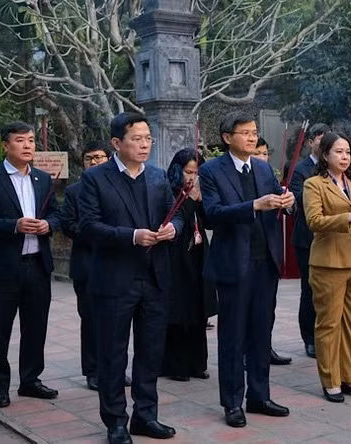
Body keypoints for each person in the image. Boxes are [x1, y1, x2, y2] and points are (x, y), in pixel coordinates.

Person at [79, 112, 182, 444]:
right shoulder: (96, 179)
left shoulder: (157, 177)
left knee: (151, 351)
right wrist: (131, 236)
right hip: (114, 279)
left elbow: (176, 213)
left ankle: (145, 415)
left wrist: (172, 229)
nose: (144, 145)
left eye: (148, 138)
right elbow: (88, 227)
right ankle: (115, 422)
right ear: (116, 143)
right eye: (137, 139)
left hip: (154, 277)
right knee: (113, 354)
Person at [199, 111, 295, 428]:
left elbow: (276, 201)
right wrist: (255, 205)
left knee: (260, 333)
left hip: (264, 261)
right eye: (246, 132)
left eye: (255, 132)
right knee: (233, 336)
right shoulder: (211, 170)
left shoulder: (264, 168)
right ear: (228, 137)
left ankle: (259, 396)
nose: (253, 138)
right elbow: (212, 214)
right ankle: (232, 402)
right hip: (233, 264)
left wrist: (287, 201)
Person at [0, 121, 61, 409]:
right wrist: (14, 226)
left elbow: (58, 215)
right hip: (2, 268)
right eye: (20, 141)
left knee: (36, 327)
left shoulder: (43, 179)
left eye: (31, 140)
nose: (28, 146)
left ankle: (30, 381)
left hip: (37, 265)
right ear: (6, 145)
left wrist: (48, 224)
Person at [304, 132, 351, 402]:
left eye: (348, 152)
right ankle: (330, 380)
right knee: (329, 324)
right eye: (338, 152)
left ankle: (350, 377)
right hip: (328, 262)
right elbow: (314, 221)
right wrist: (350, 216)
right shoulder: (314, 184)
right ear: (325, 155)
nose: (345, 157)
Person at [60, 141, 116, 391]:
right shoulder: (74, 191)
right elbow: (68, 225)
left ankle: (114, 369)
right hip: (88, 265)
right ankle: (93, 371)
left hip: (117, 263)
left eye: (99, 157)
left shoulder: (117, 185)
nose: (94, 162)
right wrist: (99, 232)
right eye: (89, 158)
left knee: (117, 320)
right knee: (91, 320)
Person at [161, 148, 218, 382]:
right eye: (188, 171)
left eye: (196, 172)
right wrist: (191, 200)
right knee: (178, 311)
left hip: (197, 255)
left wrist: (202, 200)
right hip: (176, 258)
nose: (192, 177)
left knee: (198, 311)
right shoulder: (169, 192)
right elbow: (178, 219)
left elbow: (210, 221)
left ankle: (197, 363)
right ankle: (176, 365)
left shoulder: (200, 191)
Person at [289, 123, 331, 359]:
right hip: (308, 238)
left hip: (332, 237)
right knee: (310, 289)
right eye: (320, 138)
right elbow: (298, 202)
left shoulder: (335, 167)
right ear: (310, 142)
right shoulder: (301, 169)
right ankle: (309, 337)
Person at [250, 136, 291, 365]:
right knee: (247, 309)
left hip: (269, 248)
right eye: (258, 153)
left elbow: (285, 203)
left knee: (268, 307)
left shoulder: (268, 174)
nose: (262, 158)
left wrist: (288, 201)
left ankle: (266, 347)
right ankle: (249, 351)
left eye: (265, 153)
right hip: (246, 249)